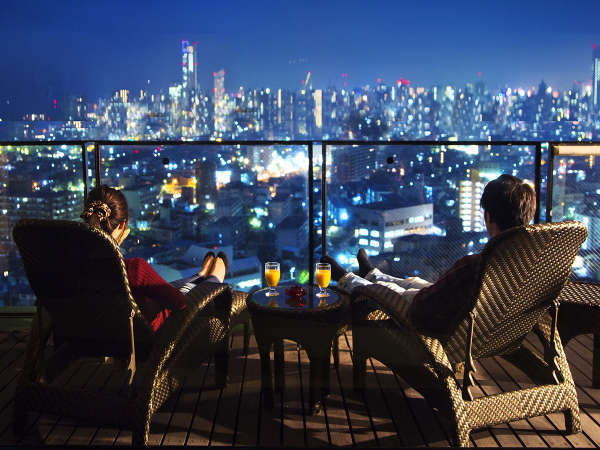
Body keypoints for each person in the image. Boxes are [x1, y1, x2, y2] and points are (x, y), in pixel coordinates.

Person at [322, 174, 536, 337]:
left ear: (488, 216)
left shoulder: (476, 265)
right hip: (480, 325)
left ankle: (345, 278)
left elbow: (423, 304)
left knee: (390, 292)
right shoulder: (530, 262)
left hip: (433, 320)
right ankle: (372, 273)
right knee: (413, 282)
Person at [81, 185, 229, 332]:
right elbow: (180, 303)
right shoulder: (133, 270)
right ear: (122, 225)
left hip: (95, 341)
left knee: (167, 287)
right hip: (150, 341)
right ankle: (213, 279)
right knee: (181, 293)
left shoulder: (71, 269)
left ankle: (200, 275)